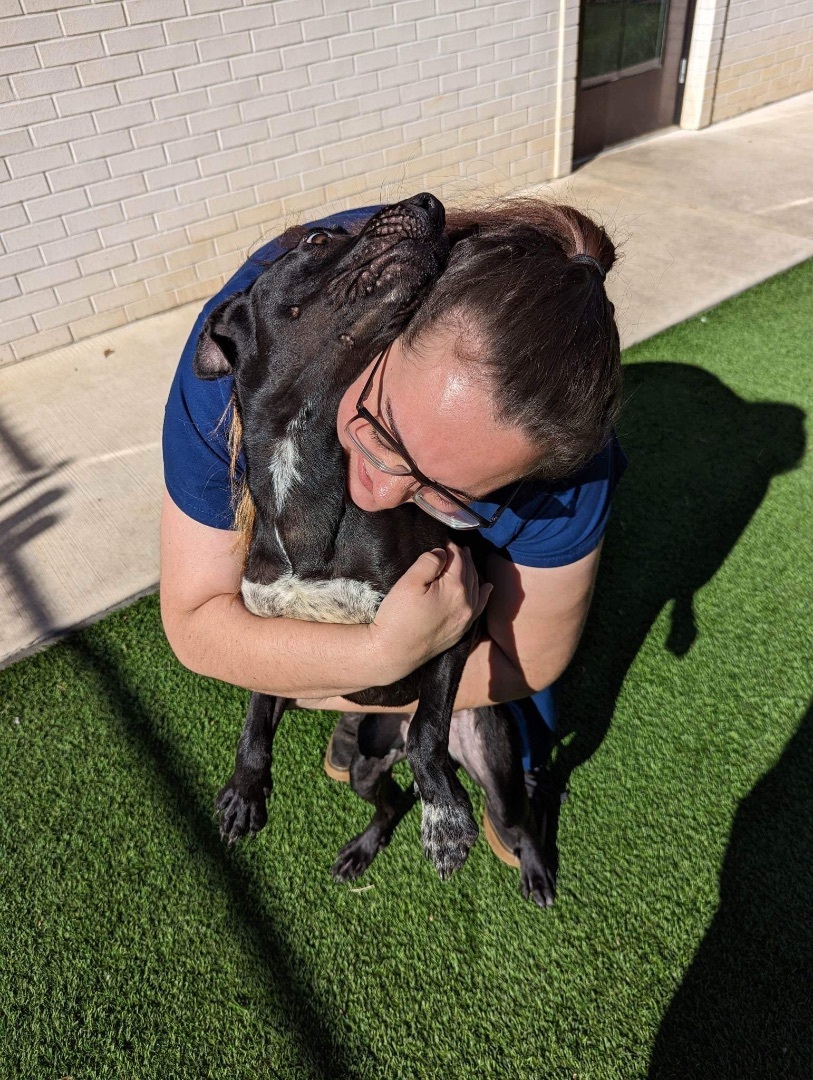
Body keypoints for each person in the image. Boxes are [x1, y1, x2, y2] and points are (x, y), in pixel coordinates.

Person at [160, 197, 626, 863]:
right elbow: (195, 625)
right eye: (379, 430)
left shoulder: (572, 476)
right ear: (377, 326)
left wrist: (382, 687)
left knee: (521, 703)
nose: (374, 492)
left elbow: (535, 654)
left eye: (445, 493)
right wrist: (378, 660)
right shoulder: (254, 338)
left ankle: (518, 775)